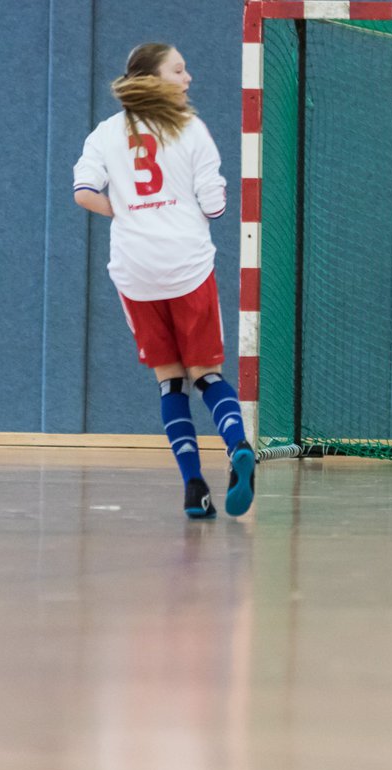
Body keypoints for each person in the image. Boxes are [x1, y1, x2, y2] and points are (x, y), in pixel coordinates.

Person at [73, 43, 255, 519]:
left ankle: (194, 488)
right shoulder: (191, 129)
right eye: (180, 68)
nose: (189, 76)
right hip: (187, 265)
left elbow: (84, 193)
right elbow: (214, 205)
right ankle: (238, 445)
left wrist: (130, 211)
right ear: (155, 79)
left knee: (169, 381)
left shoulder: (105, 133)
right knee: (207, 374)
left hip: (135, 270)